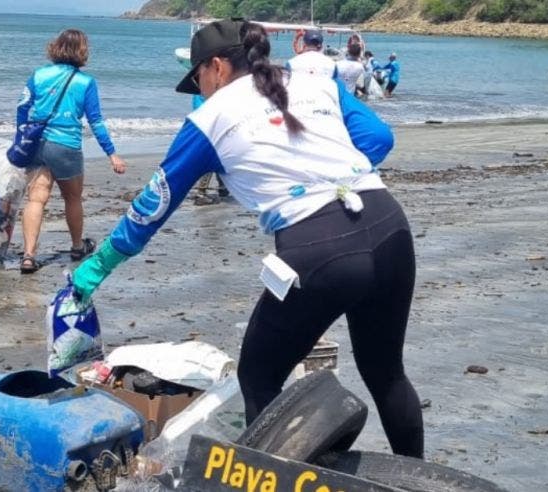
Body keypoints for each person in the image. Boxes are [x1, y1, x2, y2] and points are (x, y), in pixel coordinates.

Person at [70, 20, 424, 459]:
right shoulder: (316, 84)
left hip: (319, 247)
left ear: (216, 67)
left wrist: (97, 266)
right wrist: (326, 174)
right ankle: (419, 478)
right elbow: (379, 137)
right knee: (386, 371)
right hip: (389, 223)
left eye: (197, 75)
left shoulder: (209, 120)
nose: (197, 87)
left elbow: (152, 207)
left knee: (258, 376)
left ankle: (285, 477)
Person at [16, 29, 127, 274]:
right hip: (66, 146)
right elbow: (95, 121)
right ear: (81, 51)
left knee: (36, 199)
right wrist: (111, 153)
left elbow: (23, 109)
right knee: (72, 198)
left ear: (55, 46)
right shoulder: (85, 82)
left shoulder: (38, 75)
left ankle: (28, 255)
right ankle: (77, 246)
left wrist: (20, 141)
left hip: (36, 144)